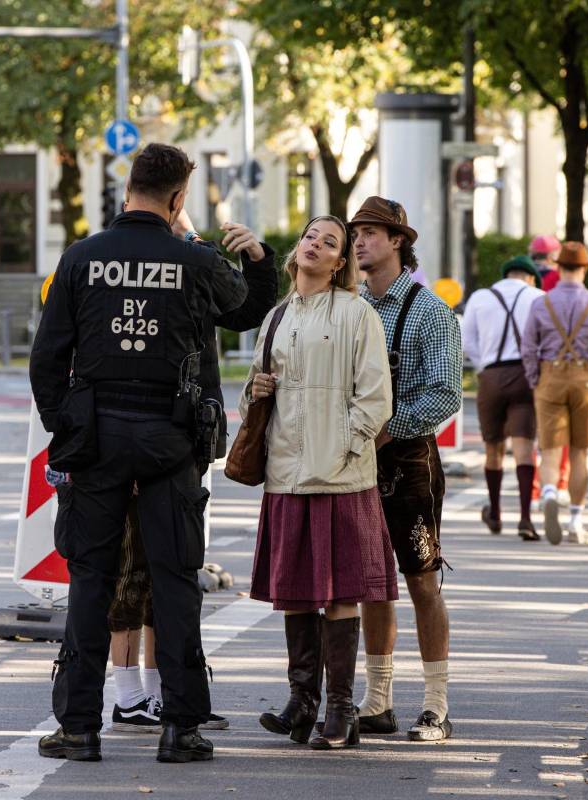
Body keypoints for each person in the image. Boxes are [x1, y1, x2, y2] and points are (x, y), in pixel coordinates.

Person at [29, 143, 247, 764]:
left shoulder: (82, 258)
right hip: (170, 443)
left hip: (95, 440)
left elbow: (47, 360)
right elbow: (244, 305)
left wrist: (67, 430)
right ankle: (181, 727)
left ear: (127, 191)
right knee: (176, 583)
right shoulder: (193, 261)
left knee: (90, 581)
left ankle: (78, 728)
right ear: (179, 200)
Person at [107, 211, 277, 734]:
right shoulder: (126, 257)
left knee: (173, 572)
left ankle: (160, 693)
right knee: (134, 571)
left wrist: (257, 259)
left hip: (175, 441)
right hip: (149, 439)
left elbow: (245, 308)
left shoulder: (192, 260)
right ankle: (130, 693)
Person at [246, 214, 395, 751]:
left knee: (338, 595)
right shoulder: (277, 316)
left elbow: (376, 398)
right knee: (294, 594)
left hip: (340, 478)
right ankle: (301, 700)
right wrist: (256, 388)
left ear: (339, 264)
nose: (316, 244)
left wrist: (344, 449)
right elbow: (255, 399)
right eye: (311, 236)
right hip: (286, 473)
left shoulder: (357, 314)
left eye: (330, 243)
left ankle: (339, 709)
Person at [352, 197, 463, 742]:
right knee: (372, 583)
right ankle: (377, 700)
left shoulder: (427, 310)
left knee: (421, 580)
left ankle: (436, 705)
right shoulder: (349, 305)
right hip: (353, 461)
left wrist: (388, 429)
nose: (359, 242)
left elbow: (445, 393)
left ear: (398, 240)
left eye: (370, 232)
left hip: (407, 459)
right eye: (356, 233)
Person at [521, 241, 588, 545]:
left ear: (558, 267)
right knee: (579, 453)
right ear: (585, 269)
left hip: (550, 375)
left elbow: (528, 347)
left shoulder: (541, 303)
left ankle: (549, 492)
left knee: (550, 449)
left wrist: (535, 378)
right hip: (585, 378)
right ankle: (576, 521)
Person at [462, 255, 545, 540]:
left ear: (506, 274)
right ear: (531, 277)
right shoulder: (538, 297)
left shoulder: (481, 297)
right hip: (525, 375)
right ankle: (525, 518)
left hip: (491, 378)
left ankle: (495, 512)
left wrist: (484, 363)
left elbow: (466, 340)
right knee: (524, 446)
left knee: (493, 448)